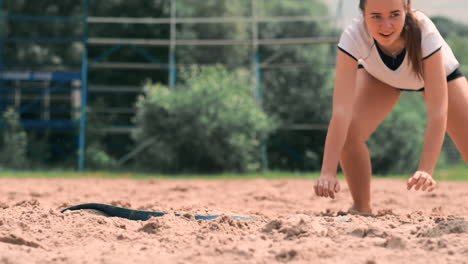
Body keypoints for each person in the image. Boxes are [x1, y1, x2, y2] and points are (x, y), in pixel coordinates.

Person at [314, 0, 468, 214]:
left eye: (394, 14)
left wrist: (426, 169)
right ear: (363, 14)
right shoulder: (353, 35)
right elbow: (341, 112)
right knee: (350, 132)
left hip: (440, 78)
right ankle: (361, 207)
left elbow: (437, 113)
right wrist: (328, 171)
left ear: (407, 9)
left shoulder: (424, 31)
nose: (386, 25)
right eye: (376, 16)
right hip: (381, 78)